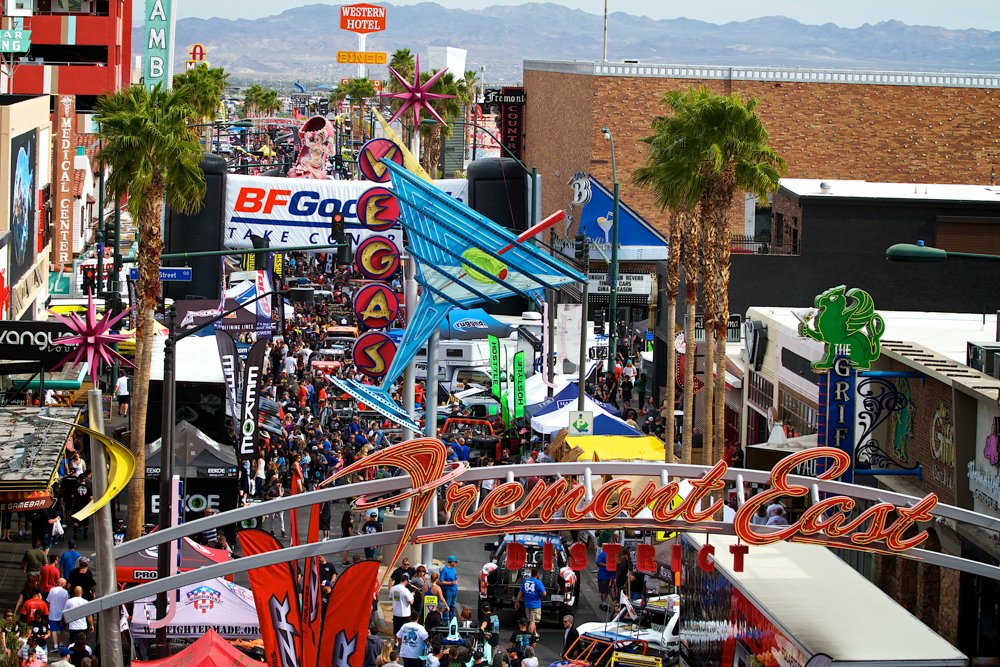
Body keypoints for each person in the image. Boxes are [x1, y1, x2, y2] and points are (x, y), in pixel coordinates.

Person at [514, 567, 546, 635]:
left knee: (531, 620)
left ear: (531, 574)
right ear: (537, 574)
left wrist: (517, 601)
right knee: (533, 621)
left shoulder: (525, 581)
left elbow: (520, 592)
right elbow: (544, 593)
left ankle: (535, 633)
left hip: (527, 604)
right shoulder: (538, 582)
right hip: (536, 604)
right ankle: (529, 636)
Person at [47, 578, 69, 650]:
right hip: (62, 614)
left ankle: (55, 645)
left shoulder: (52, 590)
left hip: (53, 613)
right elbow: (67, 604)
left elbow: (48, 601)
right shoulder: (65, 592)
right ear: (62, 584)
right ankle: (61, 643)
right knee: (62, 629)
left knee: (53, 630)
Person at [439, 555, 459, 624]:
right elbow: (441, 581)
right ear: (452, 562)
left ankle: (452, 621)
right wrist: (450, 583)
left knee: (453, 606)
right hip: (448, 590)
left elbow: (455, 577)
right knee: (447, 606)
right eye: (455, 562)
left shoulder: (454, 569)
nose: (456, 563)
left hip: (454, 589)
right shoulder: (444, 570)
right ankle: (445, 622)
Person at [595, 546, 614, 611]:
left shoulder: (613, 555)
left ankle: (605, 602)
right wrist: (607, 565)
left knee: (607, 591)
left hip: (610, 576)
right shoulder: (603, 554)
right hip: (603, 576)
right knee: (603, 591)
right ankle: (603, 603)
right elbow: (597, 562)